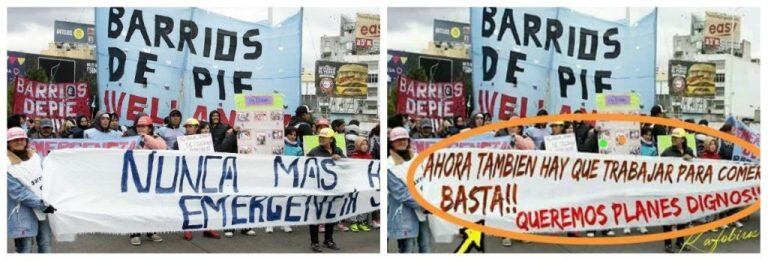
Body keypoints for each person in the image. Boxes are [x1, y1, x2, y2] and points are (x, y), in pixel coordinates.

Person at [7, 127, 57, 253]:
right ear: (8, 143)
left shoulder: (34, 156)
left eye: (21, 139)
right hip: (22, 212)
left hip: (43, 209)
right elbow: (18, 193)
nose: (19, 142)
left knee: (45, 245)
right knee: (25, 248)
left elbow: (45, 178)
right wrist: (42, 205)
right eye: (14, 140)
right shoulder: (5, 164)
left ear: (26, 140)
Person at [173, 118, 222, 240]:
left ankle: (207, 228)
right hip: (186, 174)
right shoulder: (179, 141)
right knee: (187, 201)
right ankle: (187, 228)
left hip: (202, 173)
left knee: (205, 200)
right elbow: (173, 156)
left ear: (196, 128)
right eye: (187, 126)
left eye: (191, 126)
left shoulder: (204, 141)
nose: (189, 128)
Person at [387, 127, 432, 253]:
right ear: (392, 143)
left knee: (426, 246)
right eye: (398, 140)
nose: (401, 142)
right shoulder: (389, 165)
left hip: (423, 212)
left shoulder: (417, 157)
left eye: (404, 139)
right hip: (404, 213)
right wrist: (423, 205)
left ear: (408, 140)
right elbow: (401, 193)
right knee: (408, 248)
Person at [123, 116, 166, 245]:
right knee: (135, 205)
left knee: (151, 205)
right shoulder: (130, 140)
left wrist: (145, 138)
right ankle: (135, 233)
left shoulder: (157, 138)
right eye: (139, 126)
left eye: (144, 126)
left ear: (150, 128)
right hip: (135, 177)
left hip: (152, 177)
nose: (141, 129)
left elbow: (162, 149)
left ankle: (151, 231)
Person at [306, 128, 344, 252]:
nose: (321, 139)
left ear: (331, 139)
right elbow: (306, 167)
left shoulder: (338, 150)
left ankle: (328, 240)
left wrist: (341, 159)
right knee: (315, 215)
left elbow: (347, 165)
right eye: (320, 137)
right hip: (317, 188)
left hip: (333, 188)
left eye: (324, 137)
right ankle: (314, 242)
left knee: (331, 215)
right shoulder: (313, 152)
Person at [660, 128, 694, 253]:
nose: (673, 139)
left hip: (684, 188)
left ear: (683, 139)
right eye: (672, 137)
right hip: (669, 188)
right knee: (668, 217)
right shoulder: (666, 152)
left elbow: (699, 167)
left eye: (676, 137)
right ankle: (667, 243)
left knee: (683, 217)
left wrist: (691, 160)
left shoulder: (689, 151)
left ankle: (680, 241)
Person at [347, 137, 373, 232]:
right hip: (355, 183)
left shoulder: (369, 156)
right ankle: (353, 221)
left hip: (365, 183)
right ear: (357, 145)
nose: (365, 146)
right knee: (354, 201)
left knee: (364, 202)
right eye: (362, 144)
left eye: (366, 144)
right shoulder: (353, 156)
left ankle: (362, 221)